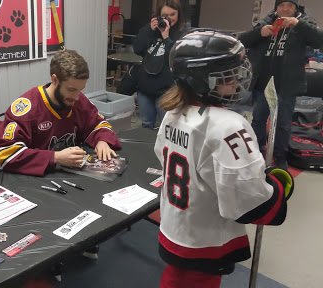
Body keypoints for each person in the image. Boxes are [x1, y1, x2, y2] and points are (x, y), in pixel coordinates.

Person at [154, 29, 294, 288]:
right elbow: (248, 201)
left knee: (174, 280)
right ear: (201, 79)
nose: (237, 79)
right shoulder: (229, 125)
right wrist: (275, 189)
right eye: (228, 75)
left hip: (178, 226)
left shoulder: (173, 113)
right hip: (204, 238)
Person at [0, 49, 121, 177]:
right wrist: (55, 157)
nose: (77, 97)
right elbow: (5, 155)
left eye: (80, 90)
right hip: (34, 180)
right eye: (71, 89)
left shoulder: (79, 101)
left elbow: (98, 124)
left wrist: (102, 141)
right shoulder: (27, 108)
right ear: (55, 80)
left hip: (71, 175)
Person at [239, 0, 323, 170]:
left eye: (289, 6)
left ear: (296, 8)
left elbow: (319, 41)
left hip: (287, 84)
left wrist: (299, 25)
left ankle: (280, 156)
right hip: (263, 82)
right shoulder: (266, 22)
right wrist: (259, 33)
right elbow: (242, 40)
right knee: (259, 120)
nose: (285, 9)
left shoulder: (304, 24)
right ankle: (256, 153)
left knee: (284, 123)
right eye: (281, 5)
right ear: (276, 8)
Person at [133, 0, 188, 129]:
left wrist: (166, 37)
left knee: (168, 127)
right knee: (146, 125)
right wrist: (149, 30)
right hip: (145, 89)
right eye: (164, 15)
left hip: (167, 91)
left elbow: (176, 58)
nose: (168, 19)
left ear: (179, 15)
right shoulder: (150, 30)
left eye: (172, 14)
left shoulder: (183, 34)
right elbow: (138, 49)